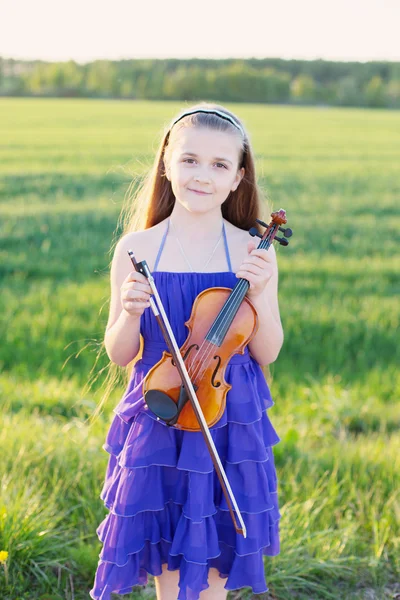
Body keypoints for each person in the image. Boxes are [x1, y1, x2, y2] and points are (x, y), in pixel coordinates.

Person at [89, 102, 283, 600]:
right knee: (169, 565)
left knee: (214, 556)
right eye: (190, 160)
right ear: (167, 163)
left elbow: (268, 350)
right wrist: (131, 312)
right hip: (162, 409)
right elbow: (119, 351)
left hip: (226, 414)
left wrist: (258, 293)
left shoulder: (252, 250)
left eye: (220, 165)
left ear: (239, 177)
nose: (202, 175)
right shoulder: (138, 247)